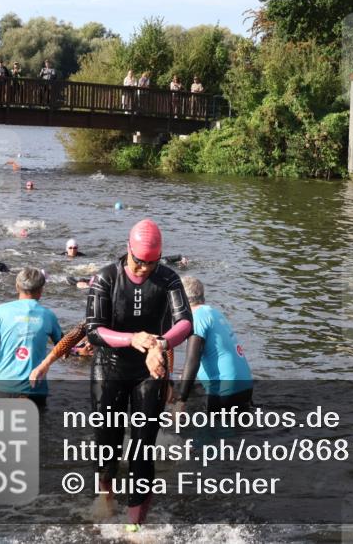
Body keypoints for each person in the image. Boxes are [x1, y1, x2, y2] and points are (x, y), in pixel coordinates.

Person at [83, 219, 193, 527]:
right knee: (108, 444)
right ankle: (105, 493)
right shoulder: (105, 278)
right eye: (138, 261)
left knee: (144, 447)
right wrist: (132, 339)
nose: (144, 268)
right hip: (110, 368)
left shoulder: (169, 279)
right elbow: (93, 331)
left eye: (151, 263)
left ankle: (134, 524)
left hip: (150, 371)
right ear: (128, 251)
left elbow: (185, 323)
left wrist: (161, 342)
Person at [0, 268, 63, 410]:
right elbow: (62, 347)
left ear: (17, 287)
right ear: (41, 290)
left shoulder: (0, 311)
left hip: (2, 386)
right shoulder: (48, 315)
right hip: (35, 390)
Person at [175, 277, 253, 413]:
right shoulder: (213, 312)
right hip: (245, 386)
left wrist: (180, 401)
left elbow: (192, 361)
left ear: (181, 301)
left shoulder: (196, 318)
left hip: (225, 391)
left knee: (211, 433)